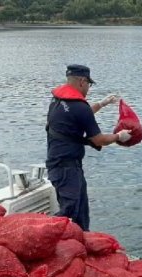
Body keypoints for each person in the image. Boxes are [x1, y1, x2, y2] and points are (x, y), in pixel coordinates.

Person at [46, 64, 132, 230]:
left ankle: (82, 240)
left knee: (81, 213)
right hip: (67, 169)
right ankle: (48, 234)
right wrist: (118, 136)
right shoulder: (79, 106)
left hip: (57, 165)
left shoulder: (57, 100)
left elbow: (78, 115)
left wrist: (101, 104)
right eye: (89, 84)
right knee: (71, 213)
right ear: (82, 81)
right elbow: (99, 140)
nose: (88, 88)